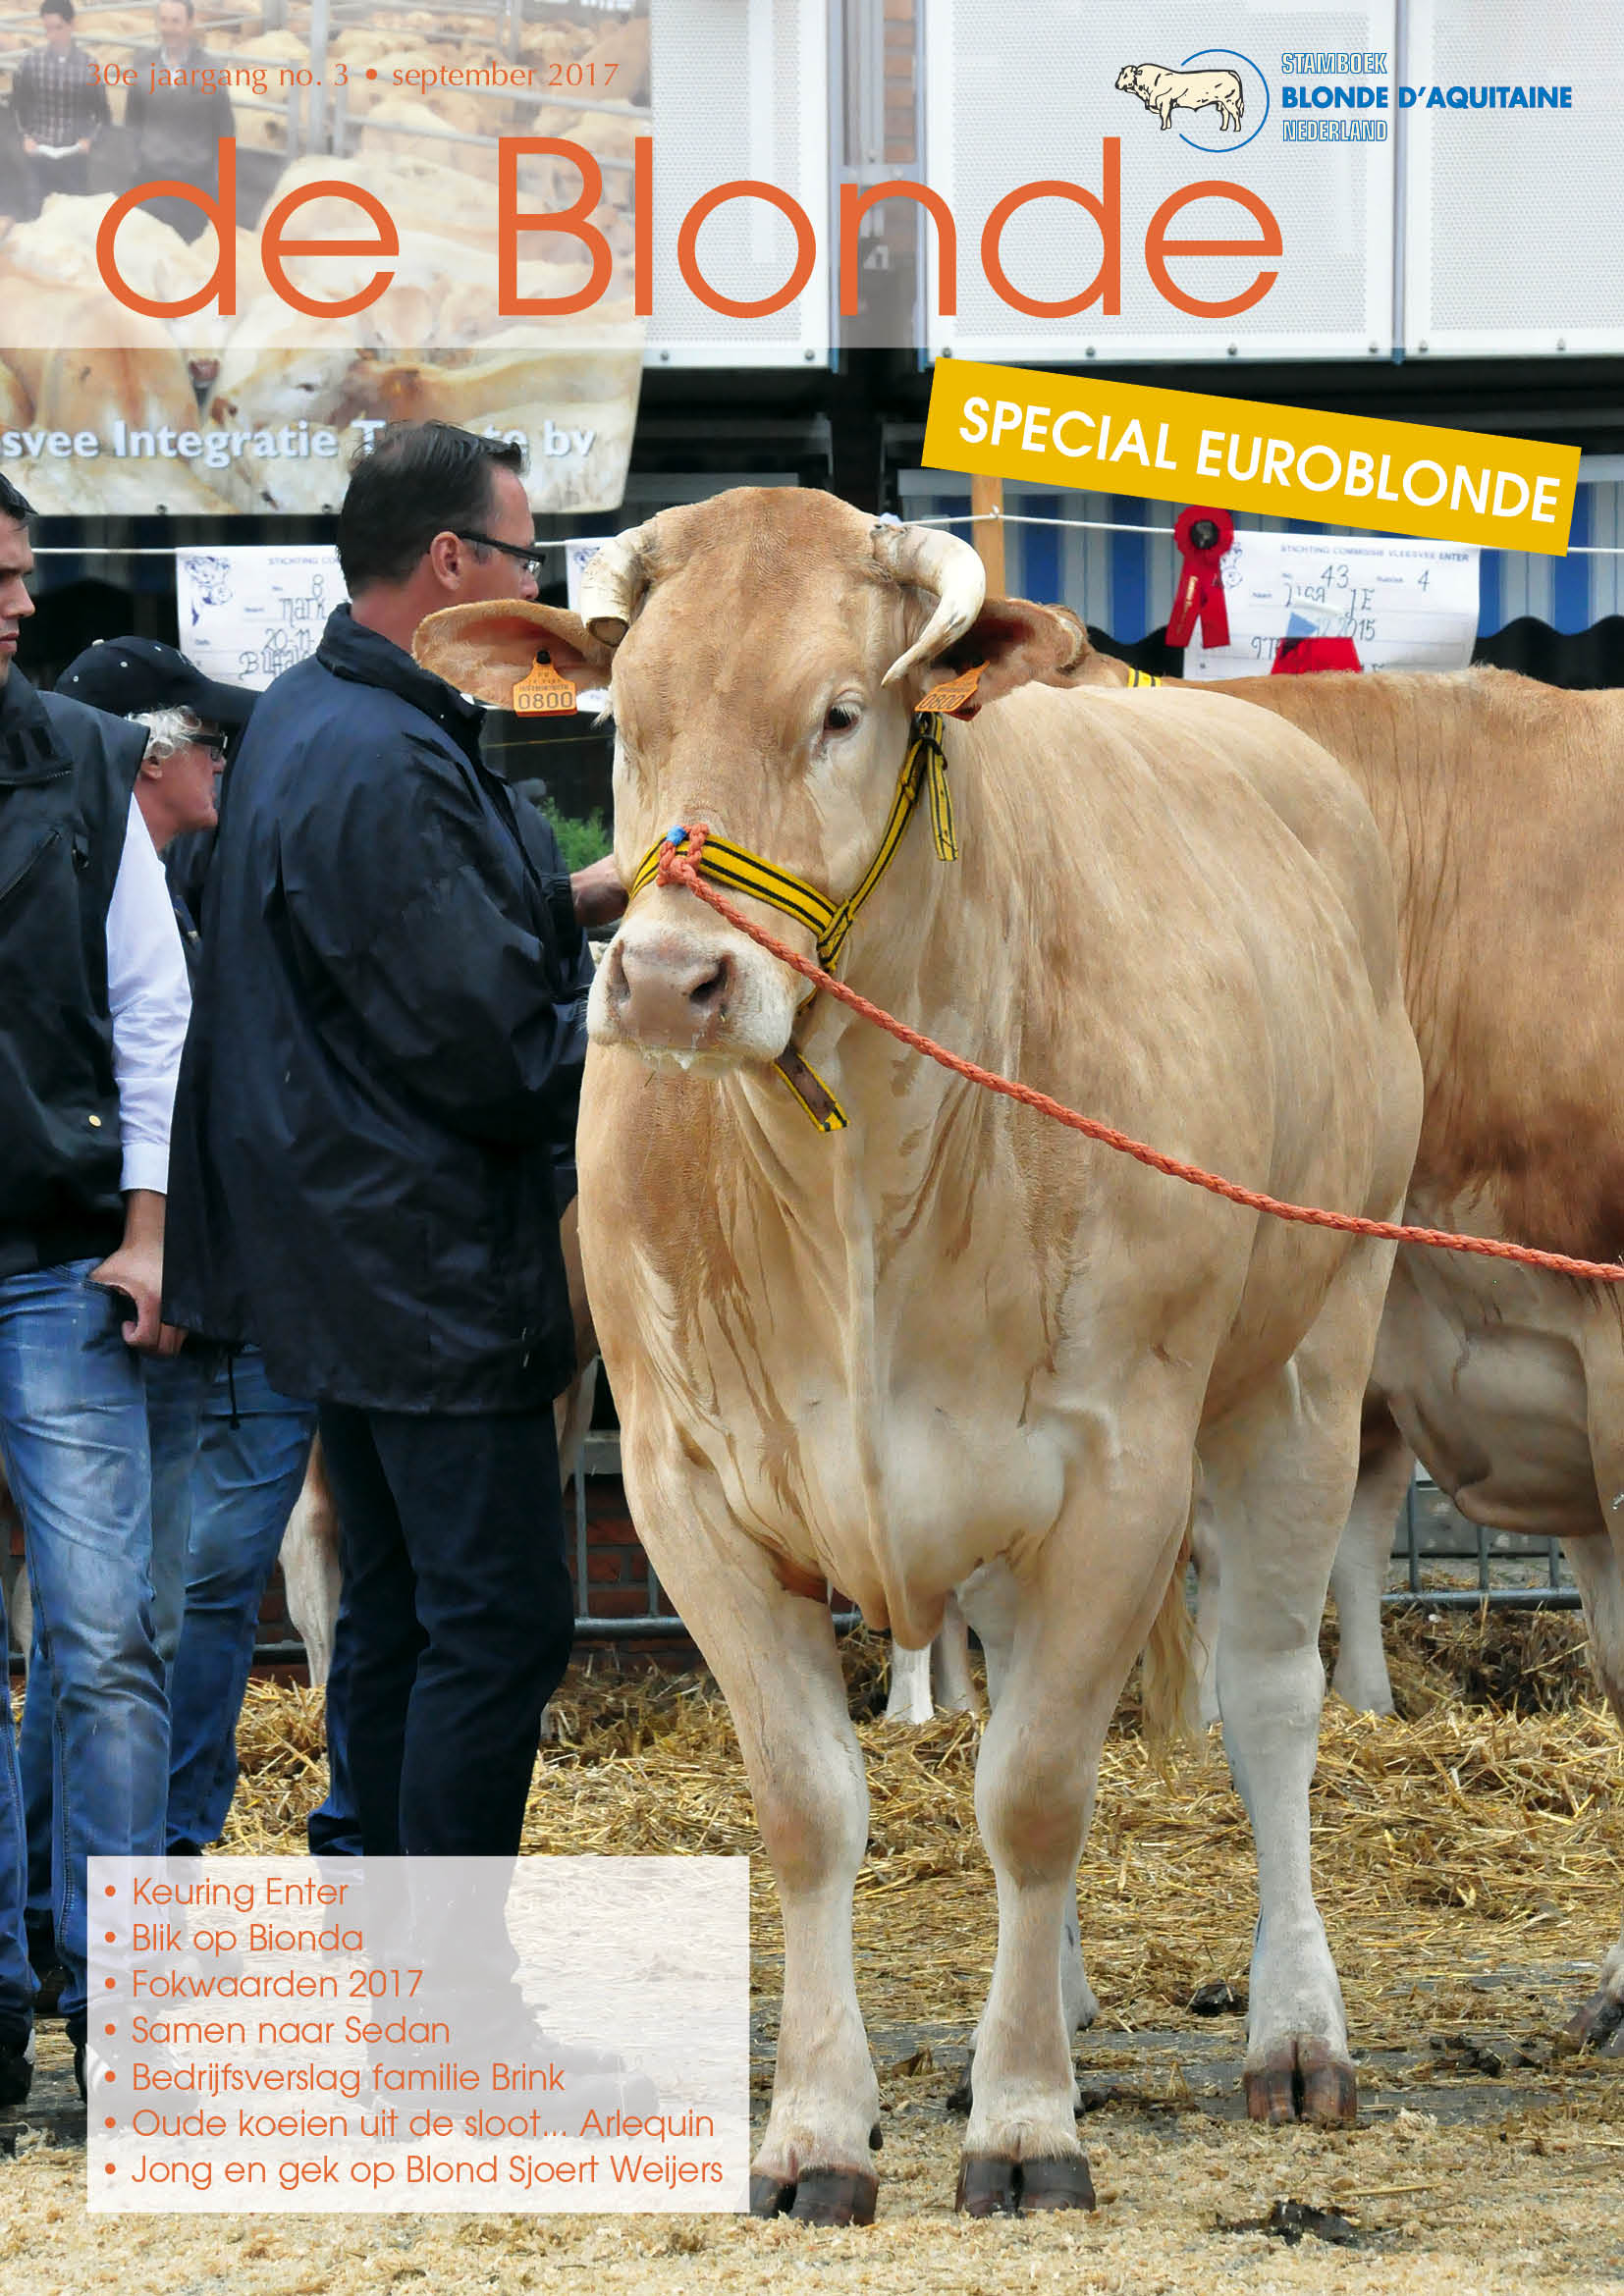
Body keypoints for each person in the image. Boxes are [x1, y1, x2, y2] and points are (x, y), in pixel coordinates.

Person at [164, 424, 620, 1979]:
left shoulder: (310, 717)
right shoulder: (387, 758)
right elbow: (485, 1042)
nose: (532, 586)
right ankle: (448, 2011)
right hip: (428, 1261)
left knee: (405, 1616)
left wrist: (586, 897)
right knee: (492, 1624)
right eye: (521, 556)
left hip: (342, 1259)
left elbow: (403, 956)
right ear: (449, 566)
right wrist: (645, 1035)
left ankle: (397, 1996)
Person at [49, 640, 342, 1872]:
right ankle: (112, 1877)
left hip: (239, 1294)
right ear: (148, 753)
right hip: (172, 1302)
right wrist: (150, 1239)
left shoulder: (197, 880)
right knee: (146, 1612)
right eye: (207, 739)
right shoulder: (98, 902)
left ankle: (162, 1852)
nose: (225, 755)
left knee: (194, 1600)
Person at [0, 478, 191, 2111]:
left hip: (58, 1250)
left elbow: (155, 1008)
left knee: (106, 1635)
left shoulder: (82, 755)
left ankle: (119, 2015)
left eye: (22, 571)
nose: (16, 596)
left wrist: (146, 1230)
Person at [124, 0, 233, 241]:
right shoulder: (144, 66)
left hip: (194, 182)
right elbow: (132, 121)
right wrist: (135, 163)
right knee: (147, 251)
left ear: (190, 24)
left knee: (189, 258)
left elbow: (225, 131)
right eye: (163, 20)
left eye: (175, 21)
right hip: (151, 179)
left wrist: (223, 190)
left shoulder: (210, 71)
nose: (168, 28)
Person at [10, 0, 109, 212]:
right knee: (36, 217)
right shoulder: (31, 64)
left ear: (71, 25)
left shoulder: (88, 66)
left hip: (73, 158)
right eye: (47, 29)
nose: (52, 36)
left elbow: (102, 114)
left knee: (72, 217)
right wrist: (25, 137)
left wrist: (89, 139)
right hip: (38, 157)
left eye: (58, 28)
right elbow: (17, 106)